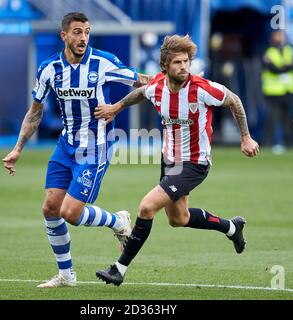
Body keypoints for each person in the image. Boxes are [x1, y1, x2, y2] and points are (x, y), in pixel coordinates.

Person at [93, 35, 259, 286]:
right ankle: (232, 228)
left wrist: (245, 137)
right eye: (178, 62)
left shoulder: (202, 88)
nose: (184, 66)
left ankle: (119, 269)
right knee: (178, 219)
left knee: (147, 207)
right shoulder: (158, 86)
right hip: (170, 160)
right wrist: (116, 107)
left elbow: (234, 100)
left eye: (186, 61)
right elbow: (140, 93)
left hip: (194, 164)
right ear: (165, 67)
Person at [2, 12, 152, 288]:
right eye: (77, 32)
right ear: (64, 35)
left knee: (70, 213)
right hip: (66, 145)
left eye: (86, 31)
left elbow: (141, 80)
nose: (83, 37)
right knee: (50, 208)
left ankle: (118, 222)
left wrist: (171, 80)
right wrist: (17, 148)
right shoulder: (49, 69)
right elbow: (35, 112)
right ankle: (66, 276)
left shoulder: (102, 62)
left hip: (95, 146)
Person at [261, 30, 293, 154]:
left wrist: (282, 67)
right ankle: (268, 143)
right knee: (272, 118)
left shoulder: (289, 50)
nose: (280, 38)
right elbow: (273, 69)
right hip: (273, 91)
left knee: (288, 119)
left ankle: (289, 143)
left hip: (287, 90)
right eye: (277, 36)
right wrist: (286, 67)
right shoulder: (269, 52)